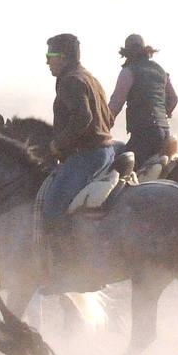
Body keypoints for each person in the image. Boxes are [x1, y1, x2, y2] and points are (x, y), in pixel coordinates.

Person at [37, 33, 116, 229]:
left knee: (52, 209)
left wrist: (57, 144)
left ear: (62, 57)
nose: (46, 62)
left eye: (49, 56)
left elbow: (83, 118)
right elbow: (109, 119)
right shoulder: (90, 78)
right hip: (106, 152)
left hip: (87, 156)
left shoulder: (70, 80)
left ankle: (61, 249)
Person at [106, 33, 178, 164]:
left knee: (119, 167)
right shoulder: (161, 71)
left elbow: (116, 104)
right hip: (165, 132)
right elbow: (173, 99)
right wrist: (164, 113)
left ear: (126, 53)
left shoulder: (128, 72)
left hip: (144, 135)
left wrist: (103, 126)